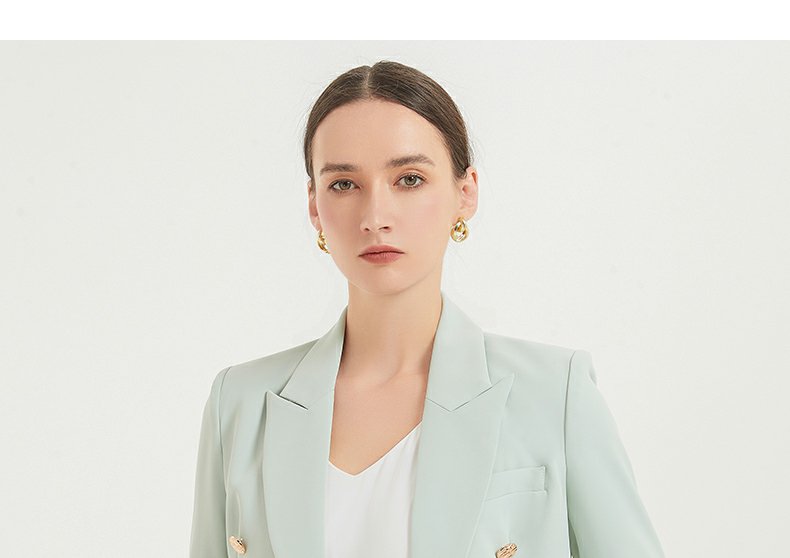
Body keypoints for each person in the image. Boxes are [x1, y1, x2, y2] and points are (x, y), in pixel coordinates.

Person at [189, 60, 665, 558]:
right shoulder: (239, 404)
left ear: (465, 193)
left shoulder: (554, 394)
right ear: (314, 205)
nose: (375, 217)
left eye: (409, 179)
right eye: (344, 184)